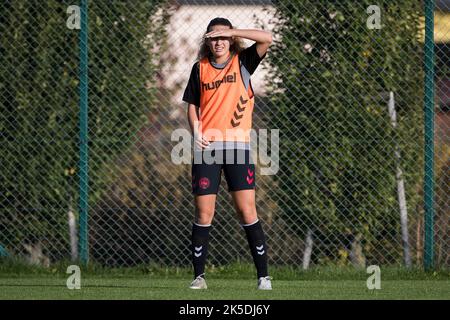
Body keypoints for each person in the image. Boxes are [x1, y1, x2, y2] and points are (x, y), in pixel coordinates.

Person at [182, 17, 273, 290]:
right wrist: (196, 131)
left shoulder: (243, 61)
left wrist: (231, 30)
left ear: (231, 39)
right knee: (203, 214)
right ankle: (199, 278)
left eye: (222, 37)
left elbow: (266, 37)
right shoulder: (200, 69)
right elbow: (191, 106)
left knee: (247, 211)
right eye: (213, 37)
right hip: (208, 149)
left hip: (237, 148)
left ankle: (263, 277)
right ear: (207, 41)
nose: (218, 42)